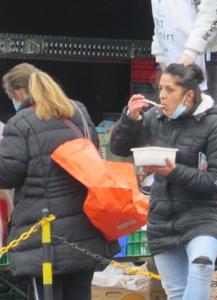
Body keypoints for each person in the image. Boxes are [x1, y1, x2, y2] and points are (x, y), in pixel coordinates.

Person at [110, 63, 217, 300]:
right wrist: (130, 118)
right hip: (162, 219)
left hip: (202, 217)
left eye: (169, 90)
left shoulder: (213, 124)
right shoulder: (155, 117)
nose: (162, 96)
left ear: (188, 95)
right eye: (160, 89)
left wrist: (173, 171)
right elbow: (118, 147)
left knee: (201, 266)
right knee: (176, 293)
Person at [0, 63, 119, 299]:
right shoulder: (79, 112)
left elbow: (7, 174)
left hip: (43, 235)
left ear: (19, 93)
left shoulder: (21, 122)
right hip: (85, 228)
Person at [150, 0, 217, 128]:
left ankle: (210, 146)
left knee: (209, 111)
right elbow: (160, 18)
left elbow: (211, 12)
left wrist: (190, 53)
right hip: (181, 51)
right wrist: (161, 57)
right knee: (183, 109)